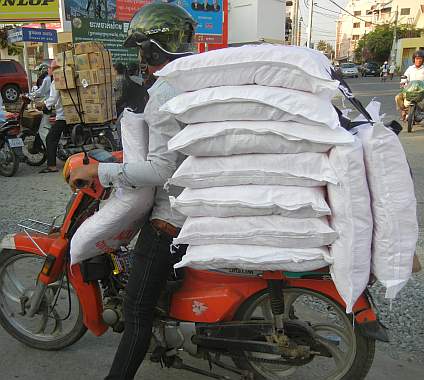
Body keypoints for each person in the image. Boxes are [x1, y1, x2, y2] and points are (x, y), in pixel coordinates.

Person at [69, 3, 197, 379]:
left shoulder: (163, 94)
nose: (139, 58)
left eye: (141, 49)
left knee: (135, 309)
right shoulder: (191, 80)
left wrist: (102, 169)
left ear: (151, 49)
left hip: (171, 216)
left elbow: (160, 168)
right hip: (194, 203)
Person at [38, 60, 66, 173]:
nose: (48, 70)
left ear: (53, 69)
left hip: (63, 116)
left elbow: (53, 99)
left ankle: (52, 166)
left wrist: (44, 104)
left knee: (50, 138)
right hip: (75, 114)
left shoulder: (56, 81)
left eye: (49, 68)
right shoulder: (68, 78)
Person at [395, 50, 424, 120]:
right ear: (414, 59)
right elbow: (404, 76)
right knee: (398, 97)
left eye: (420, 58)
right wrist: (403, 82)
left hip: (421, 92)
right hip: (409, 90)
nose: (419, 60)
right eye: (417, 58)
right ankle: (404, 111)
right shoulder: (410, 68)